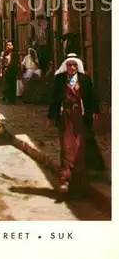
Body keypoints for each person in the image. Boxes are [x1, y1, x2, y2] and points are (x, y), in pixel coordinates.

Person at [46, 56, 99, 193]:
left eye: (74, 65)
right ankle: (65, 179)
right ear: (65, 66)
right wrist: (51, 116)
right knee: (66, 146)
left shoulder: (84, 80)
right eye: (69, 65)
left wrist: (94, 111)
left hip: (79, 117)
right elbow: (54, 99)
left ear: (78, 66)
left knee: (79, 148)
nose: (72, 68)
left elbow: (91, 97)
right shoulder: (60, 80)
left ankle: (79, 183)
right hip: (65, 117)